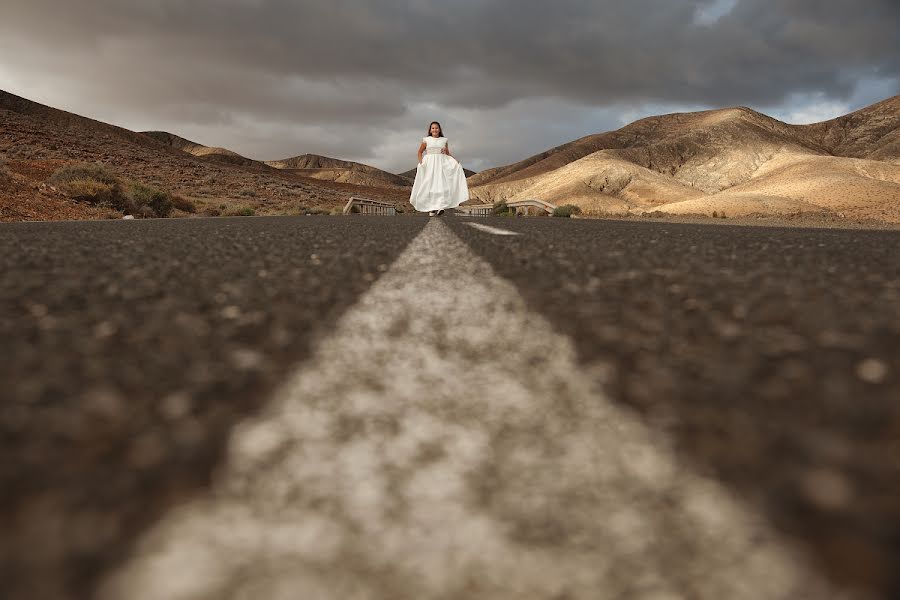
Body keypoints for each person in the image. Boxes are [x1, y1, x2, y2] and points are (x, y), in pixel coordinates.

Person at [409, 121, 469, 216]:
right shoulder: (426, 140)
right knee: (430, 185)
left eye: (436, 128)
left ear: (439, 129)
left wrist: (455, 161)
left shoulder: (444, 140)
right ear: (430, 130)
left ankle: (440, 207)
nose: (434, 130)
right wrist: (421, 162)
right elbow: (419, 152)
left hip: (441, 164)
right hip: (430, 164)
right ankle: (432, 208)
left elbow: (447, 153)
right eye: (432, 128)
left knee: (441, 184)